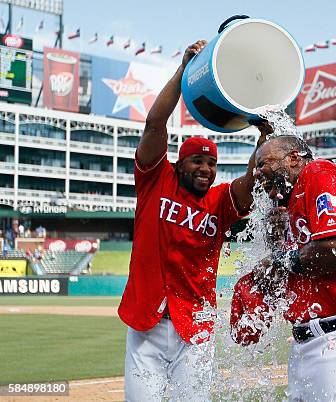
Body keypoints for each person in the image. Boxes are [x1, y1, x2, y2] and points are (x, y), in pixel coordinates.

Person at [118, 40, 269, 401]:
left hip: (196, 328)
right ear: (179, 164)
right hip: (147, 324)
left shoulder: (219, 200)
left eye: (212, 164)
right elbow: (155, 123)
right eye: (197, 162)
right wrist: (184, 70)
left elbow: (250, 184)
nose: (206, 169)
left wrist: (263, 138)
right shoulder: (157, 180)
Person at [230, 136, 336, 401]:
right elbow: (299, 266)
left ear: (293, 158)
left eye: (263, 163)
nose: (257, 173)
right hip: (307, 343)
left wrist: (282, 261)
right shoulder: (291, 203)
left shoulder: (318, 172)